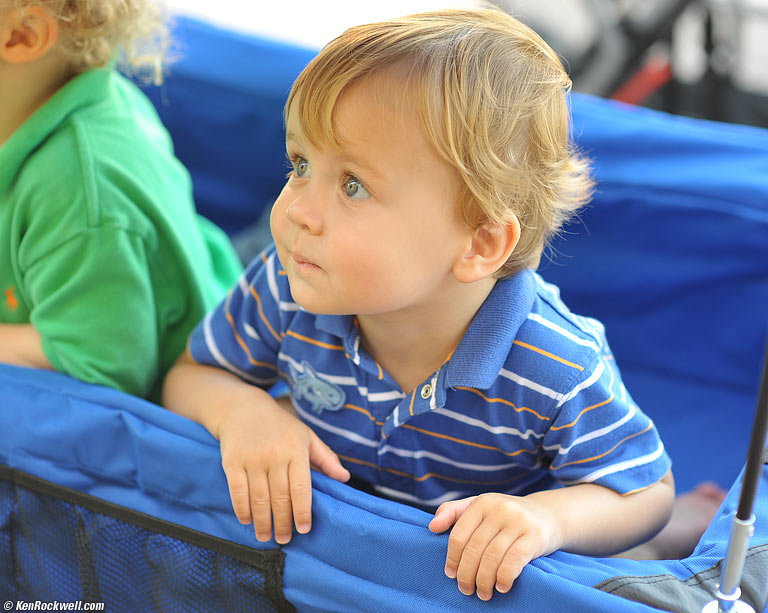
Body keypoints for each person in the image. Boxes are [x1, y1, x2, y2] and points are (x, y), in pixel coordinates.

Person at [163, 8, 677, 601]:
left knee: (645, 550)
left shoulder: (554, 364)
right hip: (348, 560)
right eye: (300, 164)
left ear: (480, 244)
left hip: (463, 577)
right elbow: (191, 373)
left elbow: (643, 492)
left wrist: (547, 520)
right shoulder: (287, 284)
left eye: (352, 184)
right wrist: (244, 414)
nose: (297, 208)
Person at [0, 0, 242, 401]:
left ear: (21, 34)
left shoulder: (77, 190)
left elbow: (100, 363)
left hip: (196, 375)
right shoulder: (50, 98)